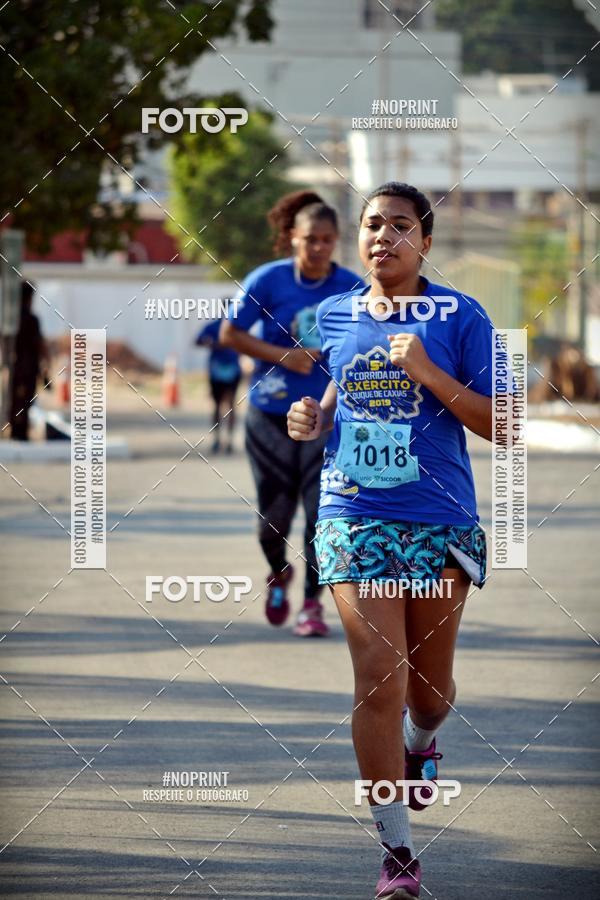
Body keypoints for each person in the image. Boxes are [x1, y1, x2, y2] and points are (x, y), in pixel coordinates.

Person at [287, 182, 494, 897]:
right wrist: (313, 418)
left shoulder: (463, 315)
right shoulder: (334, 313)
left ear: (425, 243)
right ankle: (397, 850)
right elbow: (338, 390)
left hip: (439, 520)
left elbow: (505, 423)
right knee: (381, 673)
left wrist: (428, 372)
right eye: (373, 224)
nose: (383, 236)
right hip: (353, 513)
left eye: (400, 226)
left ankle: (421, 740)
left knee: (428, 693)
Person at [220, 190, 365, 637]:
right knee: (274, 518)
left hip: (327, 420)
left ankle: (312, 604)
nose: (318, 247)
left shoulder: (351, 289)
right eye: (309, 239)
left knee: (322, 516)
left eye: (326, 240)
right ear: (293, 238)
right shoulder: (268, 280)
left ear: (336, 241)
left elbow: (364, 345)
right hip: (269, 415)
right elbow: (230, 333)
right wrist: (285, 356)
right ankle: (279, 570)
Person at [196, 307, 242, 454]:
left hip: (232, 370)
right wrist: (214, 343)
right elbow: (198, 341)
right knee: (220, 405)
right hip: (217, 371)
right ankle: (218, 440)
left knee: (229, 405)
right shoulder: (215, 326)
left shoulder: (239, 327)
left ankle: (228, 441)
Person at [9, 281, 49, 441]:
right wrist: (46, 370)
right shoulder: (32, 320)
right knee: (26, 401)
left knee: (15, 400)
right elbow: (41, 346)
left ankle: (15, 431)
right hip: (30, 368)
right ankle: (21, 432)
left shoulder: (12, 320)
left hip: (15, 366)